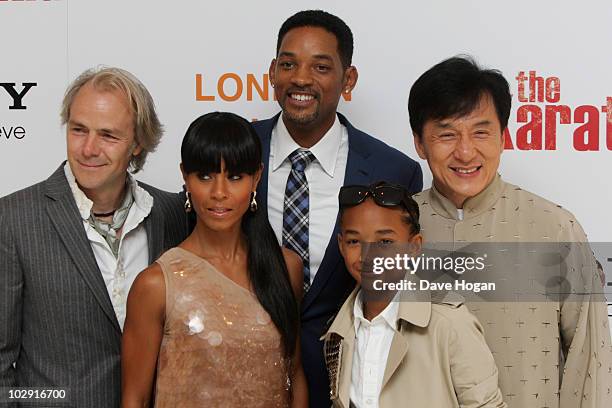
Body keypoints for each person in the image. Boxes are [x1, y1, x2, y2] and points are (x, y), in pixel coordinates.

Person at [408, 56, 612, 407]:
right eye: (447, 134)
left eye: (481, 132)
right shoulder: (395, 229)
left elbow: (589, 359)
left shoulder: (554, 227)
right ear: (420, 143)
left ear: (503, 138)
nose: (466, 150)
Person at [253, 10, 423, 405]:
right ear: (273, 72)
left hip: (351, 380)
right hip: (243, 377)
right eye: (288, 64)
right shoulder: (236, 151)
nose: (300, 78)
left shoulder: (393, 170)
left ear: (348, 80)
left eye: (321, 66)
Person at [0, 67, 188, 407]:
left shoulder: (170, 213)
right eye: (78, 130)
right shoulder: (14, 219)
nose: (88, 148)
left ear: (137, 143)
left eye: (108, 135)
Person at [121, 112, 308, 407]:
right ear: (185, 176)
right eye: (205, 176)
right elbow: (135, 398)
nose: (219, 193)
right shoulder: (156, 284)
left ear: (256, 178)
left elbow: (293, 375)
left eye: (235, 177)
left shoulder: (285, 268)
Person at [323, 182, 506, 407]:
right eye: (354, 241)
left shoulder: (449, 324)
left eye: (385, 242)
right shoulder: (338, 332)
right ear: (341, 245)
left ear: (414, 246)